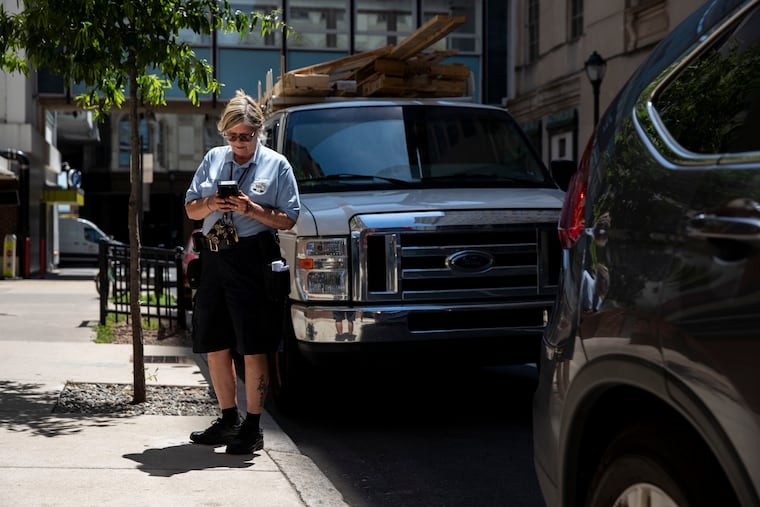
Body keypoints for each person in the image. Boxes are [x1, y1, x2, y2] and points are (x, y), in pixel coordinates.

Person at [184, 90, 300, 455]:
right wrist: (210, 203)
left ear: (259, 130)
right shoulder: (213, 159)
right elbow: (190, 209)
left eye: (246, 137)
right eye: (232, 137)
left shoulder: (277, 165)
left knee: (253, 345)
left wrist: (251, 209)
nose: (239, 144)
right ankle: (227, 418)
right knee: (214, 343)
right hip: (215, 257)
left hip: (252, 257)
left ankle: (253, 426)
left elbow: (289, 217)